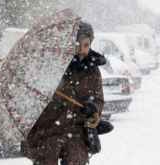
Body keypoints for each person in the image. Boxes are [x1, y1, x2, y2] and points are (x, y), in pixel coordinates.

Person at [21, 21, 106, 165]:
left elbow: (98, 99)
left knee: (76, 159)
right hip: (48, 130)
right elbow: (36, 98)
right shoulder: (52, 65)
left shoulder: (92, 69)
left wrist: (93, 109)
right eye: (79, 45)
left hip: (77, 131)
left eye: (87, 45)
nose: (83, 50)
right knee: (47, 158)